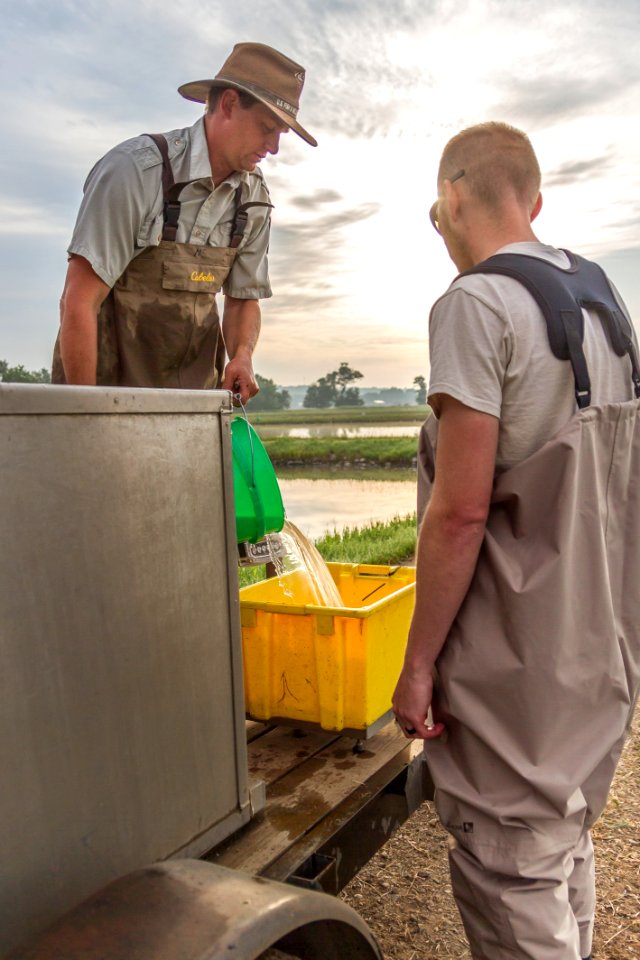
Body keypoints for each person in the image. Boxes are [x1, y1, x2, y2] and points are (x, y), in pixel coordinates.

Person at [392, 122, 640, 960]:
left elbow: (459, 514)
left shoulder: (475, 305)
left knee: (510, 871)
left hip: (518, 664)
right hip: (597, 651)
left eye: (437, 212)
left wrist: (419, 663)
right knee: (561, 836)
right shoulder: (606, 304)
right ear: (533, 203)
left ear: (454, 196)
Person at [52, 42, 316, 401]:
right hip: (107, 393)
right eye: (267, 127)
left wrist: (242, 355)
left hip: (195, 402)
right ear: (228, 105)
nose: (273, 147)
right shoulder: (135, 172)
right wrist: (85, 414)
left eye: (280, 135)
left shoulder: (254, 199)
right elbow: (78, 301)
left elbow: (242, 298)